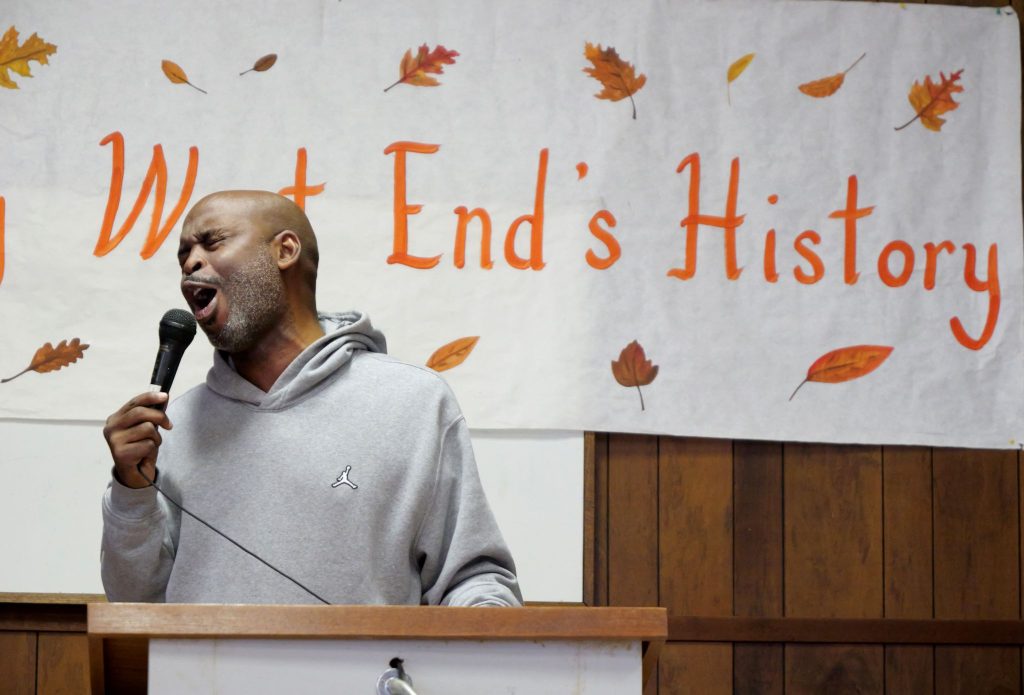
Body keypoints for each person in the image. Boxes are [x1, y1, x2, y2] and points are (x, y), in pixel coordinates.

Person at [100, 190, 522, 607]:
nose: (191, 262)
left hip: (365, 677)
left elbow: (473, 579)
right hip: (200, 677)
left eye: (212, 242)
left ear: (285, 250)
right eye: (183, 255)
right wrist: (130, 490)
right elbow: (135, 602)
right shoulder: (171, 425)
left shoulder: (413, 403)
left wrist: (485, 645)